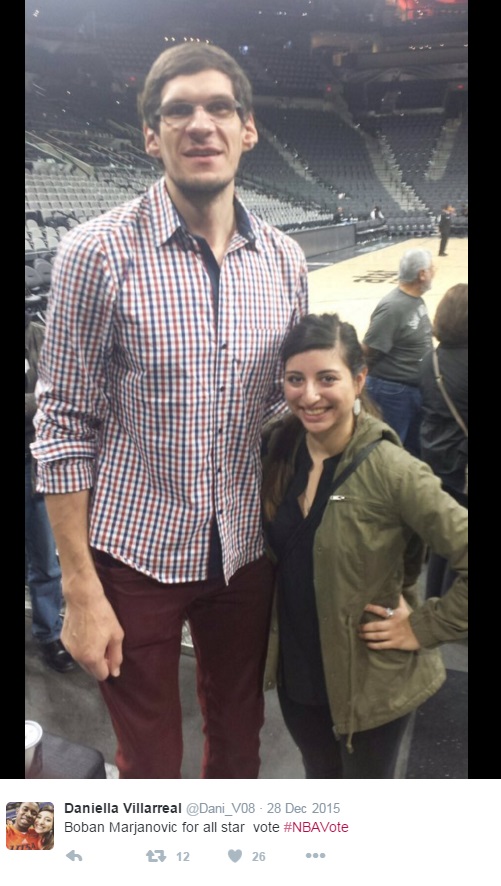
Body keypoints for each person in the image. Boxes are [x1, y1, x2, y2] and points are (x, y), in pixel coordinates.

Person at [32, 42, 308, 780]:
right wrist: (79, 591)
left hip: (244, 551)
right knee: (149, 760)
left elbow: (285, 414)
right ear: (152, 136)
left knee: (240, 739)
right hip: (132, 556)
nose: (200, 124)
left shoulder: (285, 261)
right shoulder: (96, 254)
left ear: (247, 129)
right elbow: (62, 425)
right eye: (177, 110)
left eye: (219, 107)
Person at [261, 313, 468, 779]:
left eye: (326, 378)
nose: (309, 395)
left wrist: (424, 626)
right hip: (299, 679)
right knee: (321, 780)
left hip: (370, 687)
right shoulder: (280, 448)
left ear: (358, 380)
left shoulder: (394, 471)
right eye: (296, 379)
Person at [25, 307, 75, 673]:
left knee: (45, 559)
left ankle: (48, 634)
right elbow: (43, 401)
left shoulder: (38, 336)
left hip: (34, 464)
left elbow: (55, 395)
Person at [419, 284, 468, 598]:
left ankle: (433, 596)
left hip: (435, 455)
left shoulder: (430, 359)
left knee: (442, 535)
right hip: (462, 462)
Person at [362, 247, 434, 459]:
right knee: (390, 450)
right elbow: (369, 350)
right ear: (422, 274)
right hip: (393, 392)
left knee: (413, 450)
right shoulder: (393, 307)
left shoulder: (414, 300)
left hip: (411, 390)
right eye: (431, 268)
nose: (434, 272)